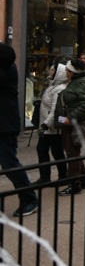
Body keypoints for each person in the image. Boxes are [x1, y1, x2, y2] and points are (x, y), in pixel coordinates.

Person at [0, 42, 39, 216]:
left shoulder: (6, 68)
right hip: (5, 123)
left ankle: (29, 198)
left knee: (9, 164)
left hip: (4, 126)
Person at [55, 57, 85, 194]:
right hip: (70, 122)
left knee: (72, 153)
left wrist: (70, 117)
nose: (66, 72)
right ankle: (84, 179)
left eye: (67, 70)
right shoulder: (74, 82)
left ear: (73, 71)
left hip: (75, 123)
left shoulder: (84, 83)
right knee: (72, 151)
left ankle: (74, 184)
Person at [37, 63, 68, 185]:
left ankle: (62, 176)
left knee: (56, 151)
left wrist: (45, 124)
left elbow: (55, 110)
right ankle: (45, 177)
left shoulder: (59, 89)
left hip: (53, 127)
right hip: (47, 125)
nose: (50, 71)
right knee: (42, 150)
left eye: (52, 70)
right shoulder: (52, 86)